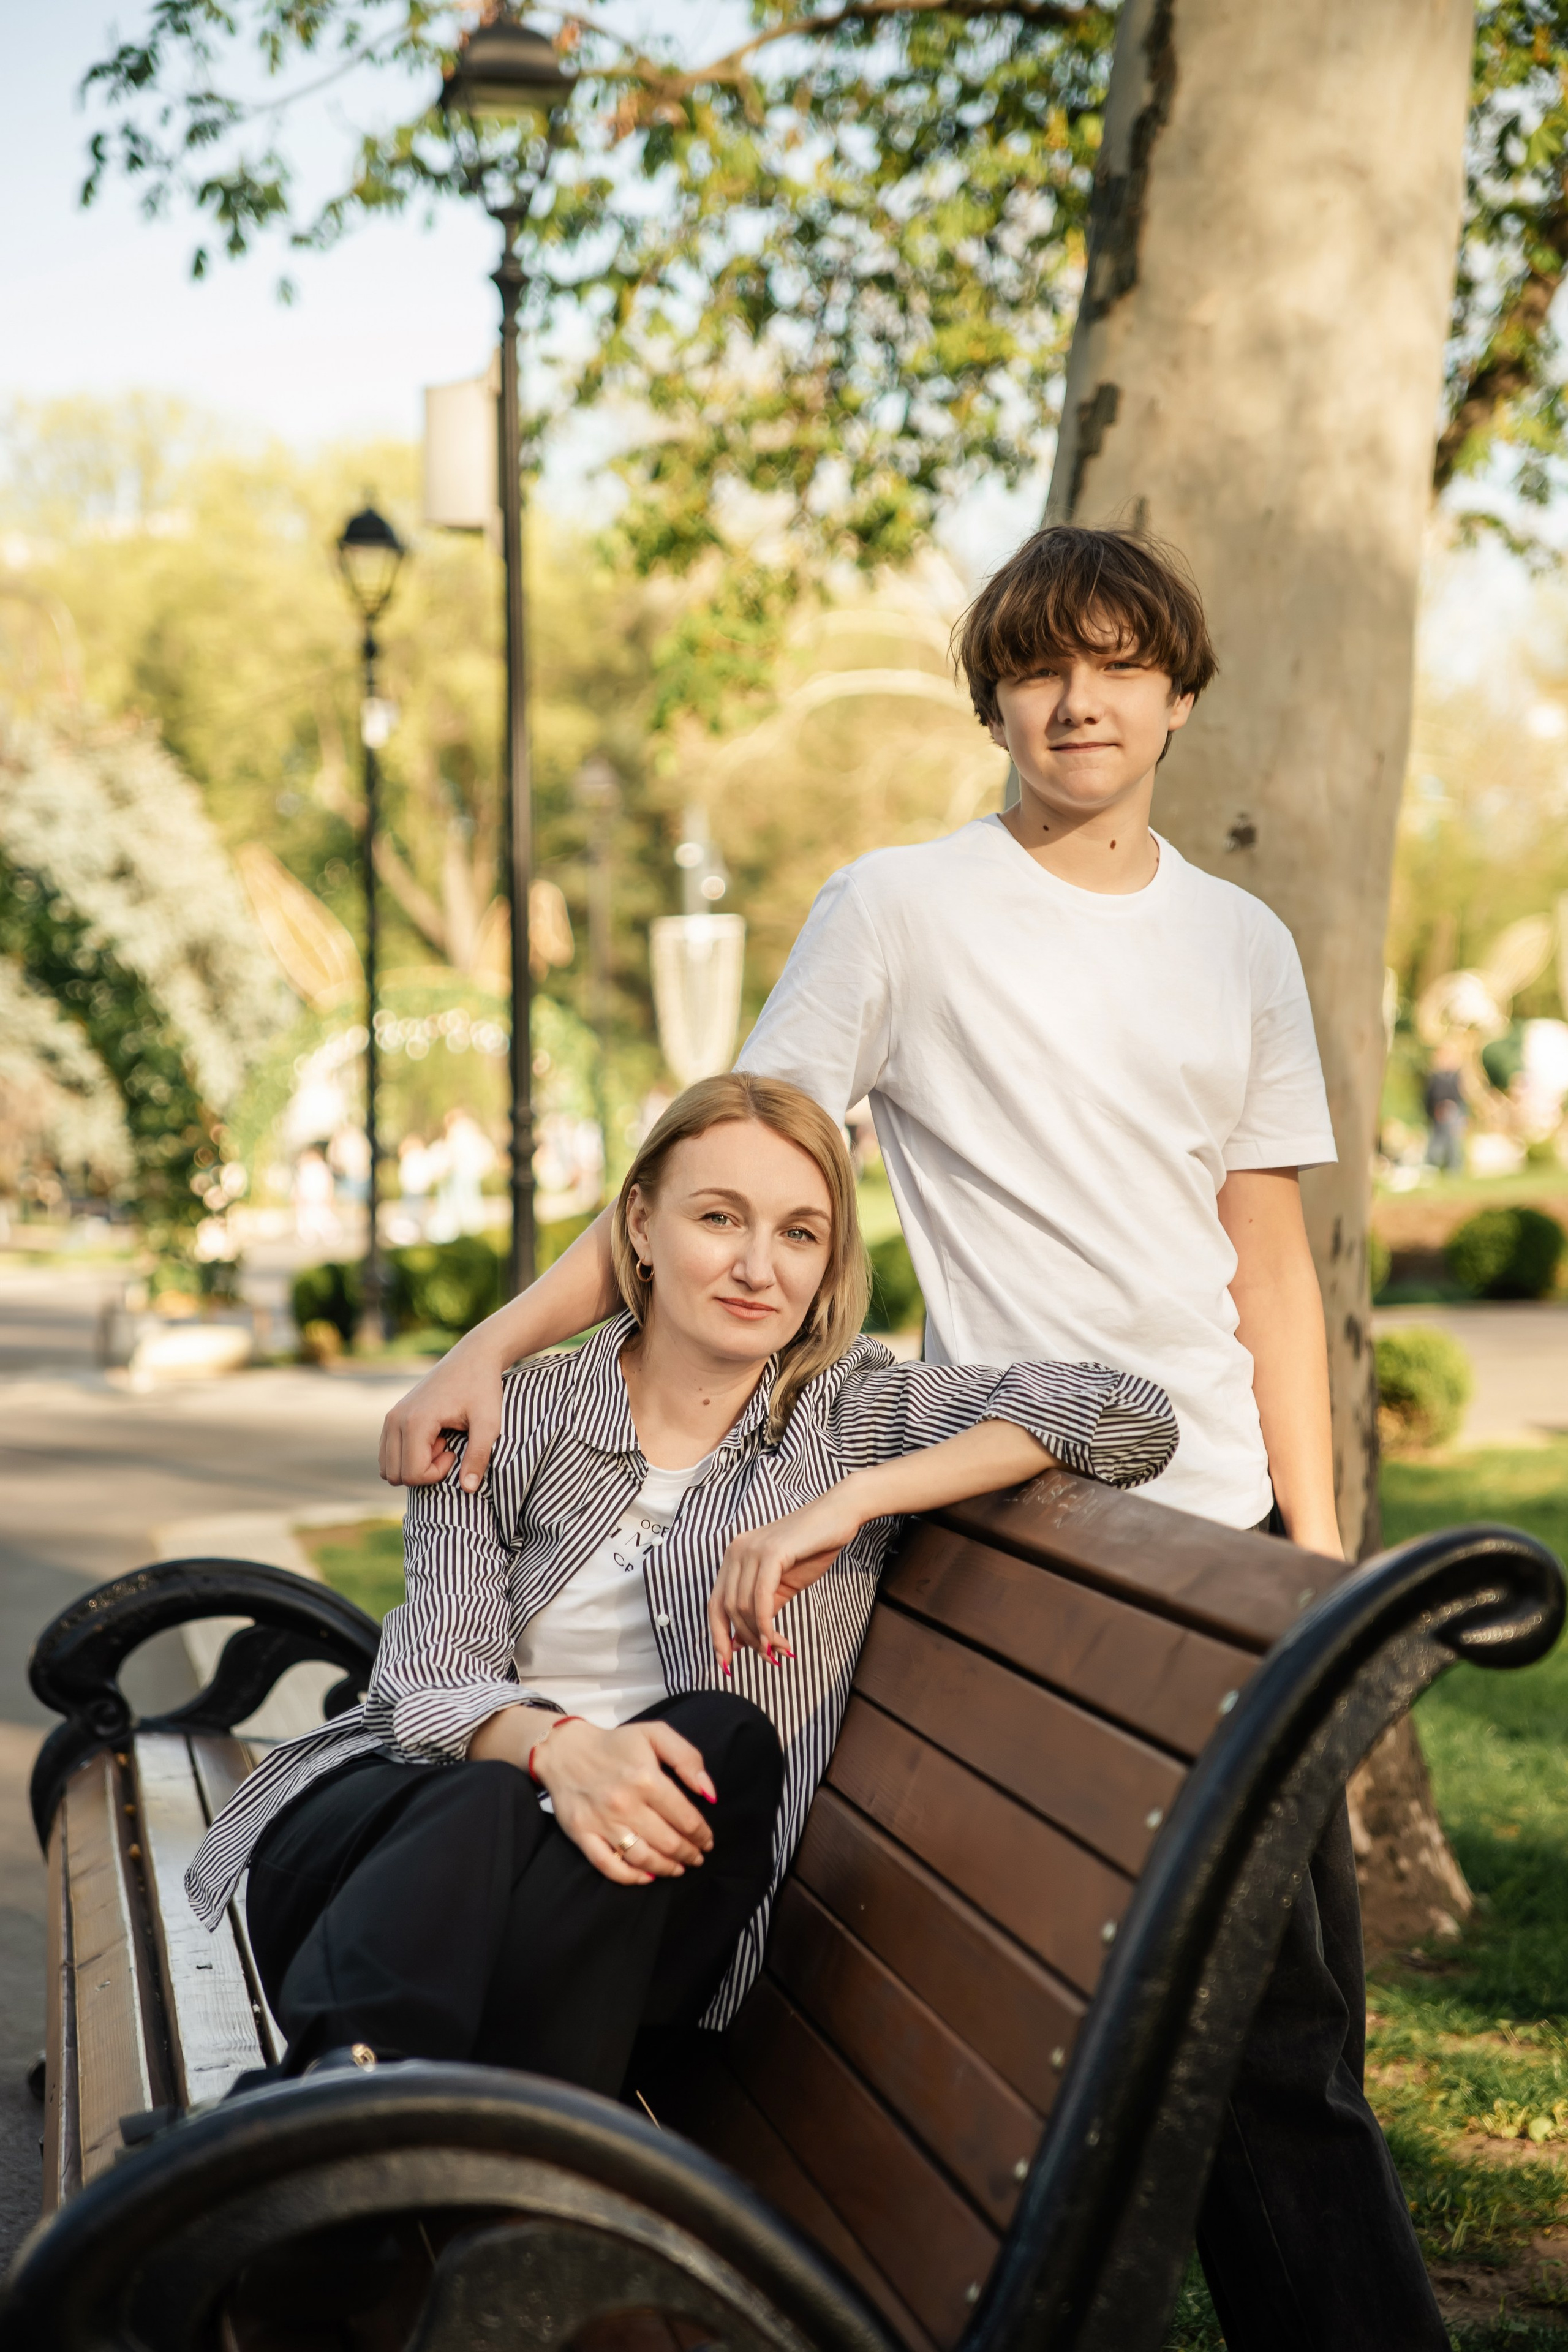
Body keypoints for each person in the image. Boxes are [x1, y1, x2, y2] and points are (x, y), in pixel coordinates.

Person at [374, 527, 1447, 2352]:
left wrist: (1316, 1567)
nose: (1078, 697)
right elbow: (714, 1172)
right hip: (1019, 1515)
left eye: (1118, 663)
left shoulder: (1238, 938)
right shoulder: (895, 908)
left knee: (1287, 2034)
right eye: (1040, 666)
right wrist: (486, 1343)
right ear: (994, 698)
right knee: (1229, 2028)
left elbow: (1268, 1261)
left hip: (1219, 1528)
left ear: (1177, 694)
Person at [189, 1072, 1174, 2097]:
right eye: (719, 1218)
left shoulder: (847, 1423)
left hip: (634, 1914)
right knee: (485, 1794)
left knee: (719, 1741)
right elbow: (428, 1689)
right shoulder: (510, 1418)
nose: (758, 1267)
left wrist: (854, 1502)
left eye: (800, 1234)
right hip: (395, 1867)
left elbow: (1129, 1412)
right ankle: (409, 2119)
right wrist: (564, 1754)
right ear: (641, 1231)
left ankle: (321, 2116)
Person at [1424, 1040, 1469, 1174]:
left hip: (1453, 1110)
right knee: (1438, 1139)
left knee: (1452, 1140)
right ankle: (1434, 1164)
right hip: (1439, 1111)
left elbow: (1460, 1095)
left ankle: (1453, 1166)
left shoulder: (1455, 1076)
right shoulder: (1436, 1076)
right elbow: (1431, 1095)